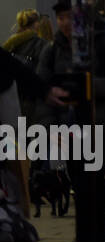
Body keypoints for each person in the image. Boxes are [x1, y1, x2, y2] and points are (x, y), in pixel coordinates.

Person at [36, 0, 105, 237]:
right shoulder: (52, 49)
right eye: (61, 18)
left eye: (70, 17)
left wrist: (88, 87)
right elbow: (41, 90)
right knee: (79, 185)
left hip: (100, 125)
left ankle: (96, 237)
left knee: (95, 185)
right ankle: (84, 237)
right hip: (68, 129)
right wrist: (49, 128)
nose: (66, 23)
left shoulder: (104, 44)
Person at [0, 47, 69, 222]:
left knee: (11, 152)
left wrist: (43, 90)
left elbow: (11, 65)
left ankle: (18, 211)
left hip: (3, 93)